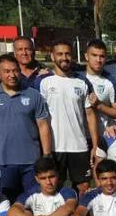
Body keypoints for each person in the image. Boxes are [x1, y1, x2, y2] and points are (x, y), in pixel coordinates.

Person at [0, 54, 52, 200]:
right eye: (6, 71)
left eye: (15, 70)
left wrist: (47, 155)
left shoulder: (34, 95)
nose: (12, 75)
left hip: (31, 161)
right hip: (2, 161)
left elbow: (43, 126)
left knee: (34, 201)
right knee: (6, 202)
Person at [35, 39, 98, 194]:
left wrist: (95, 145)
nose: (64, 57)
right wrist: (45, 149)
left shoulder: (82, 82)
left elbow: (90, 115)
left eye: (68, 54)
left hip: (79, 145)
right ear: (52, 56)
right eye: (60, 54)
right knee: (54, 187)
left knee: (83, 187)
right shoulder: (43, 82)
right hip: (55, 146)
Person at [82, 39, 116, 132]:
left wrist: (99, 105)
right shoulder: (74, 75)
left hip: (101, 136)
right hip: (76, 137)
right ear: (86, 56)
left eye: (102, 56)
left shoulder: (111, 82)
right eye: (94, 55)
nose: (98, 60)